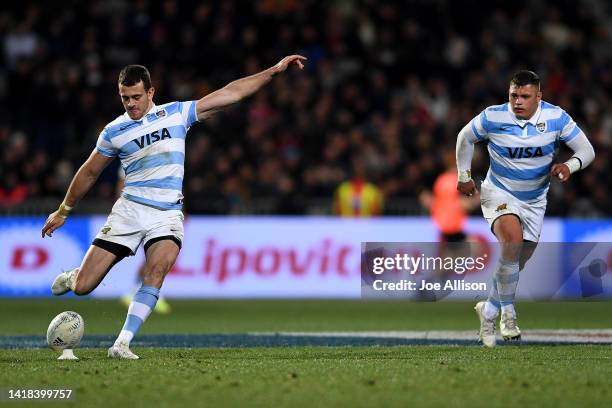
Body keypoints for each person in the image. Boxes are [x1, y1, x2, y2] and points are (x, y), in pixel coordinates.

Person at [41, 55, 306, 359]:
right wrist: (64, 210)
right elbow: (90, 171)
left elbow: (231, 93)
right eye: (125, 97)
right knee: (85, 286)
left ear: (151, 92)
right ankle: (73, 276)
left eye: (137, 96)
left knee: (158, 268)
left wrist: (274, 71)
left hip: (166, 214)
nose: (131, 103)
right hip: (128, 212)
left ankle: (122, 343)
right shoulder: (114, 132)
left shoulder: (177, 114)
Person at [456, 70, 595, 347]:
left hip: (534, 200)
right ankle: (507, 313)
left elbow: (587, 150)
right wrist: (464, 176)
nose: (518, 101)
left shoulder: (556, 118)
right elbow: (465, 137)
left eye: (525, 96)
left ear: (539, 97)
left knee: (517, 261)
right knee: (513, 241)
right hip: (498, 192)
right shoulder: (493, 116)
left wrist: (570, 165)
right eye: (514, 95)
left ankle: (490, 308)